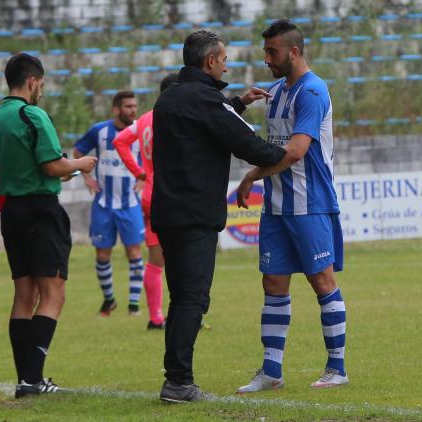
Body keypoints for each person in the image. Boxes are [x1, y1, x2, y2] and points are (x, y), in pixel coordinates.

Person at [151, 30, 289, 402]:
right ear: (210, 61)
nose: (227, 64)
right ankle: (178, 383)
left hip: (168, 212)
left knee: (182, 297)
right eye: (224, 59)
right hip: (195, 214)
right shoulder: (206, 99)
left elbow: (204, 127)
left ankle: (176, 379)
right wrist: (288, 153)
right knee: (193, 299)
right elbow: (247, 144)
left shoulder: (171, 97)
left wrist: (235, 104)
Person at [235, 20, 347, 393]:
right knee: (273, 283)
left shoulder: (312, 92)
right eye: (266, 51)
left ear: (294, 52)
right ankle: (271, 372)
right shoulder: (277, 91)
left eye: (273, 52)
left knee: (321, 281)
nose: (267, 59)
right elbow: (274, 143)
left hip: (310, 203)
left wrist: (252, 175)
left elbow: (297, 151)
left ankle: (337, 368)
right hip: (277, 205)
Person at [0, 53, 97, 398]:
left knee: (24, 294)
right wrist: (81, 163)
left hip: (12, 211)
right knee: (53, 293)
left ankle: (27, 380)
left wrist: (65, 166)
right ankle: (32, 380)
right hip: (40, 210)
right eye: (41, 85)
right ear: (32, 81)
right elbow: (51, 166)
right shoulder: (32, 115)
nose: (41, 92)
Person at [73, 91, 149, 320]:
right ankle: (109, 301)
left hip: (130, 203)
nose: (133, 110)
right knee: (102, 254)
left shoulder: (139, 130)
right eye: (128, 106)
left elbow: (152, 154)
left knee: (135, 253)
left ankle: (134, 305)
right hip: (103, 204)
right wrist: (86, 177)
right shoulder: (99, 131)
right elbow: (77, 152)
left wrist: (144, 178)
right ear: (116, 109)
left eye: (135, 106)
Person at [111, 76, 175, 330]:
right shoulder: (173, 117)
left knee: (155, 258)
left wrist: (139, 172)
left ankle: (155, 316)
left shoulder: (146, 119)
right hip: (172, 195)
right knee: (181, 257)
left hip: (150, 194)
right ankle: (182, 315)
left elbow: (120, 141)